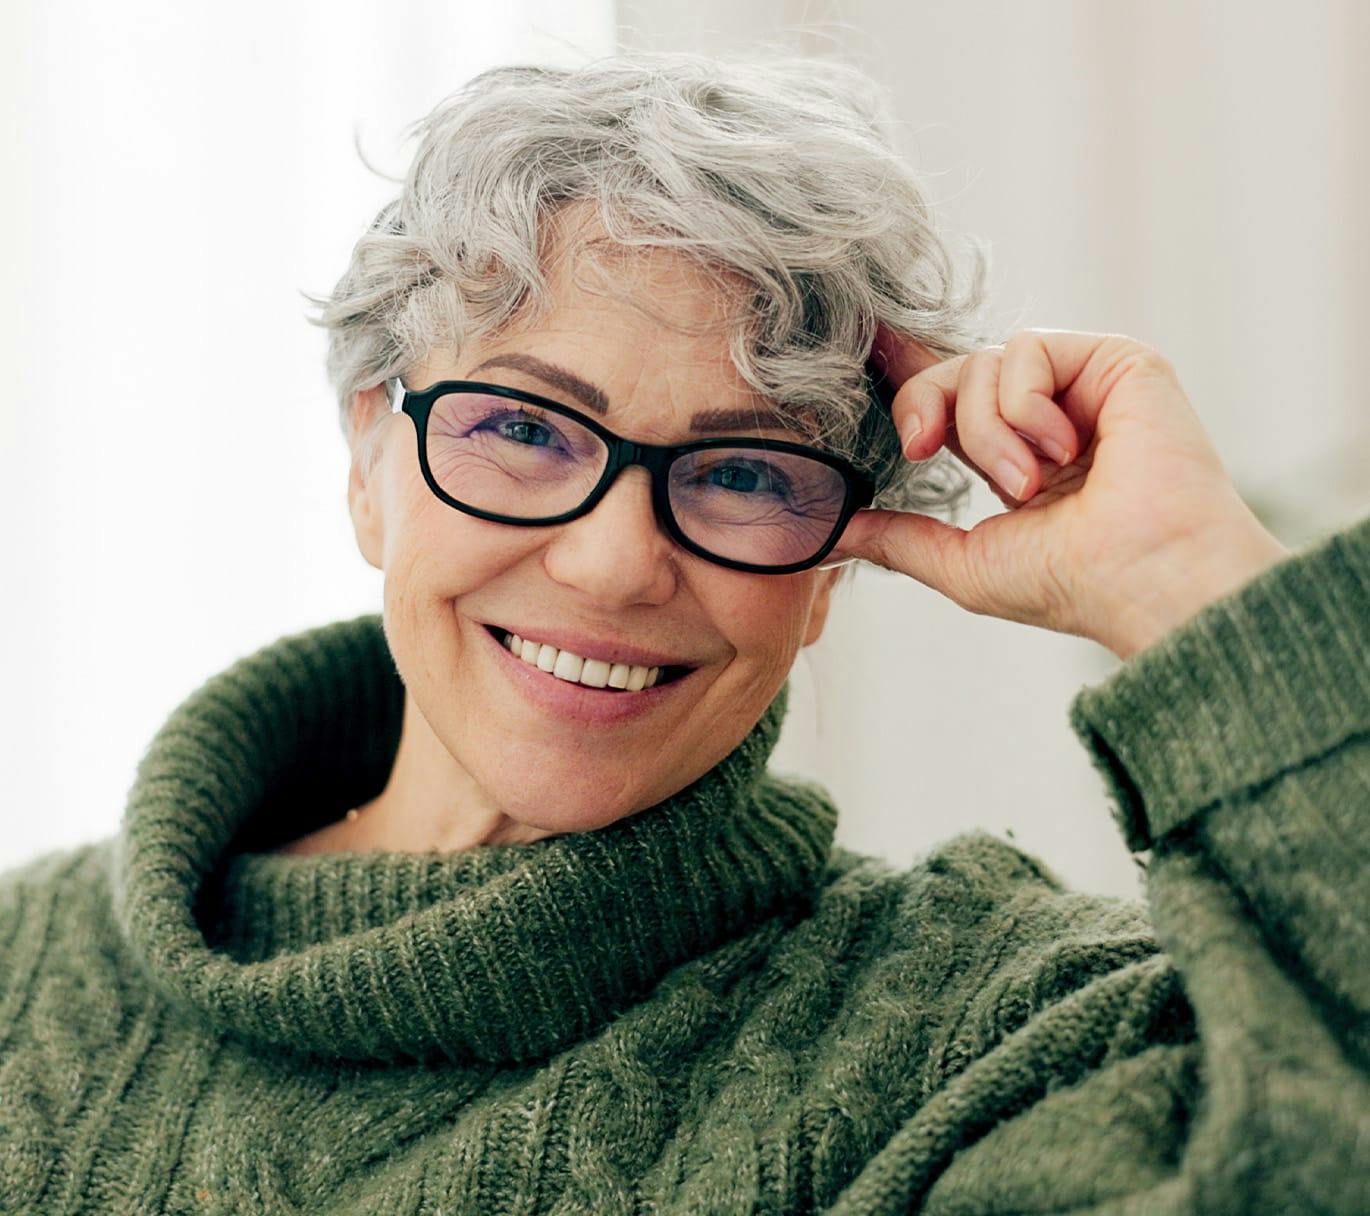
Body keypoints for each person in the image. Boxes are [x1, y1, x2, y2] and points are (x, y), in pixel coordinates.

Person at [0, 51, 1364, 1216]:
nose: (610, 565)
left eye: (746, 472)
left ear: (833, 564)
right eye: (523, 429)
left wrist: (1194, 587)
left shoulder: (984, 1045)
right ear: (372, 461)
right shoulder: (25, 974)